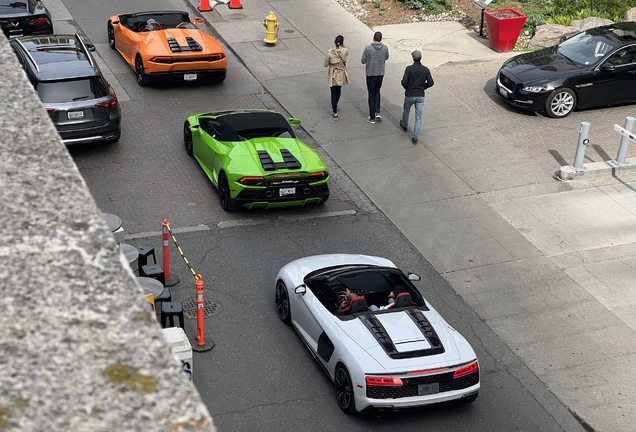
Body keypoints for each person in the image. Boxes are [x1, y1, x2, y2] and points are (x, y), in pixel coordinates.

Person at [399, 50, 434, 144]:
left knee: (406, 110)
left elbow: (404, 82)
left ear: (413, 58)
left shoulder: (409, 69)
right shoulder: (425, 70)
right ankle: (415, 137)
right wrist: (423, 87)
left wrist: (408, 88)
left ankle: (405, 125)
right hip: (420, 95)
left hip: (410, 94)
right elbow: (431, 83)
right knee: (418, 116)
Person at [361, 31, 389, 125]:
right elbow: (386, 57)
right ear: (381, 38)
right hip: (380, 73)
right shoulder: (385, 48)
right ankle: (377, 111)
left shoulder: (368, 48)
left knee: (371, 94)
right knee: (377, 91)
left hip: (370, 74)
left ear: (373, 38)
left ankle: (372, 117)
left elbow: (363, 60)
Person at [324, 35, 350, 121]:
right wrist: (342, 45)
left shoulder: (330, 52)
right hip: (341, 73)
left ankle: (335, 112)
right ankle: (336, 104)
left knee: (333, 93)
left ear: (335, 42)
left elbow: (325, 64)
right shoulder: (345, 51)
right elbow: (346, 52)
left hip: (333, 74)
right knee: (338, 90)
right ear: (342, 43)